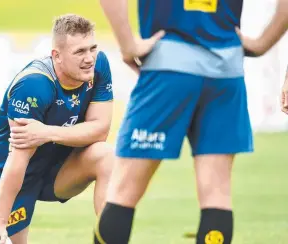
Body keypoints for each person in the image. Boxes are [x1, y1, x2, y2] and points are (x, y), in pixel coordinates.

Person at [94, 0, 288, 243]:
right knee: (217, 194)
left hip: (168, 66)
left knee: (123, 191)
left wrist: (127, 45)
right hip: (226, 71)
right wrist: (262, 44)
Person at [0, 14, 114, 244]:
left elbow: (100, 130)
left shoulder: (99, 65)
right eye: (79, 52)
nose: (89, 59)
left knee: (105, 155)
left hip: (55, 169)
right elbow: (18, 160)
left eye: (92, 48)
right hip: (7, 173)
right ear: (57, 55)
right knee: (1, 239)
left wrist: (47, 132)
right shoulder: (34, 84)